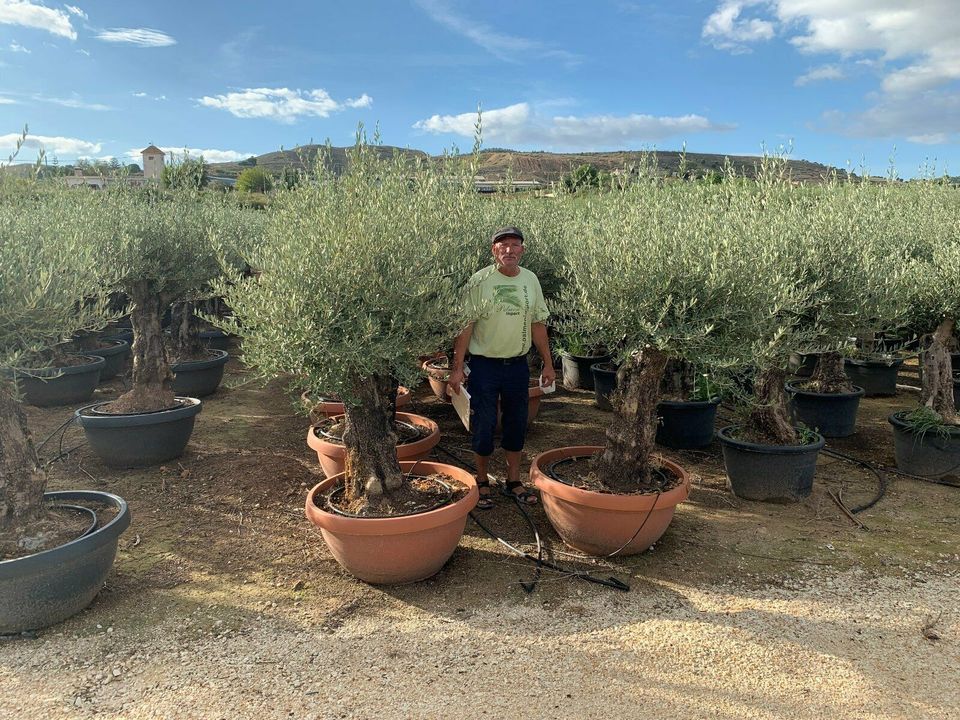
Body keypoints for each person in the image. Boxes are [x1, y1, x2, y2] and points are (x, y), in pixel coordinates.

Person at [448, 226, 555, 509]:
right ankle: (482, 480)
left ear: (523, 249)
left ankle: (513, 481)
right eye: (503, 245)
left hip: (517, 367)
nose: (509, 250)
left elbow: (538, 324)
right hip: (484, 367)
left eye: (514, 245)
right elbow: (465, 327)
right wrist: (457, 368)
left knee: (516, 423)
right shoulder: (479, 280)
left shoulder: (530, 280)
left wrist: (548, 363)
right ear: (494, 250)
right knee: (483, 425)